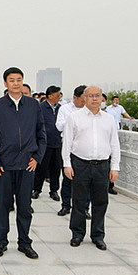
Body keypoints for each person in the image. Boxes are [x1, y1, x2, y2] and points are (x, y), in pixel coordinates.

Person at [0, 68, 46, 260]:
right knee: (3, 206)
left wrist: (37, 158)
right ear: (5, 83)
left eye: (19, 80)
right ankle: (0, 242)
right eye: (11, 80)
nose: (15, 83)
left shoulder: (33, 105)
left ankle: (25, 243)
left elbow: (41, 133)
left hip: (27, 165)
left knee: (25, 206)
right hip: (5, 166)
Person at [62, 85, 120, 251]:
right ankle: (77, 234)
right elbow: (67, 142)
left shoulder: (108, 119)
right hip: (80, 164)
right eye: (90, 96)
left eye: (97, 95)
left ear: (102, 98)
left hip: (102, 165)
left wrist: (115, 166)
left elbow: (114, 144)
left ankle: (98, 235)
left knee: (101, 202)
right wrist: (67, 164)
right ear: (84, 98)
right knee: (79, 201)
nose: (94, 99)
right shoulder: (74, 117)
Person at [55, 85, 87, 216]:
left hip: (84, 149)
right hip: (69, 148)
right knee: (68, 179)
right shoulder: (65, 109)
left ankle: (85, 208)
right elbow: (59, 126)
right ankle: (66, 205)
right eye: (82, 100)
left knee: (85, 182)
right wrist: (72, 120)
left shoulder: (89, 111)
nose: (84, 103)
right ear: (75, 97)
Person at [33, 85, 63, 201]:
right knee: (41, 168)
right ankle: (37, 189)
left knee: (56, 169)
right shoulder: (41, 108)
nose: (59, 97)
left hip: (57, 143)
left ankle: (54, 190)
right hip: (44, 144)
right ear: (50, 96)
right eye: (57, 95)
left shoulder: (61, 109)